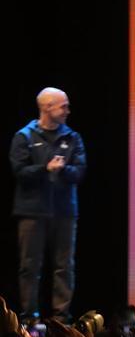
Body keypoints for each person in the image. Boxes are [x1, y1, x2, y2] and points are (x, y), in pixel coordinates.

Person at [9, 87, 87, 322]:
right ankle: (29, 317)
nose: (67, 111)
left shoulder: (72, 137)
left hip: (65, 212)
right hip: (32, 211)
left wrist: (64, 169)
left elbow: (80, 171)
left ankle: (61, 318)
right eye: (63, 106)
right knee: (30, 266)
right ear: (47, 108)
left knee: (64, 266)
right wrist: (46, 169)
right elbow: (19, 171)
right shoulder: (24, 136)